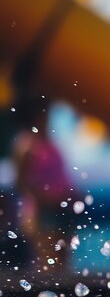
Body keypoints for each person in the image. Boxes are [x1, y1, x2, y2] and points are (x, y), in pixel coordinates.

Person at [11, 94, 75, 268]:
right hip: (41, 212)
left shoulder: (50, 142)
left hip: (60, 207)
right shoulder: (27, 145)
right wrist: (44, 197)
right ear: (36, 116)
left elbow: (59, 176)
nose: (48, 117)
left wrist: (71, 192)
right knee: (47, 263)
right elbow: (20, 182)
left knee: (62, 264)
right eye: (45, 113)